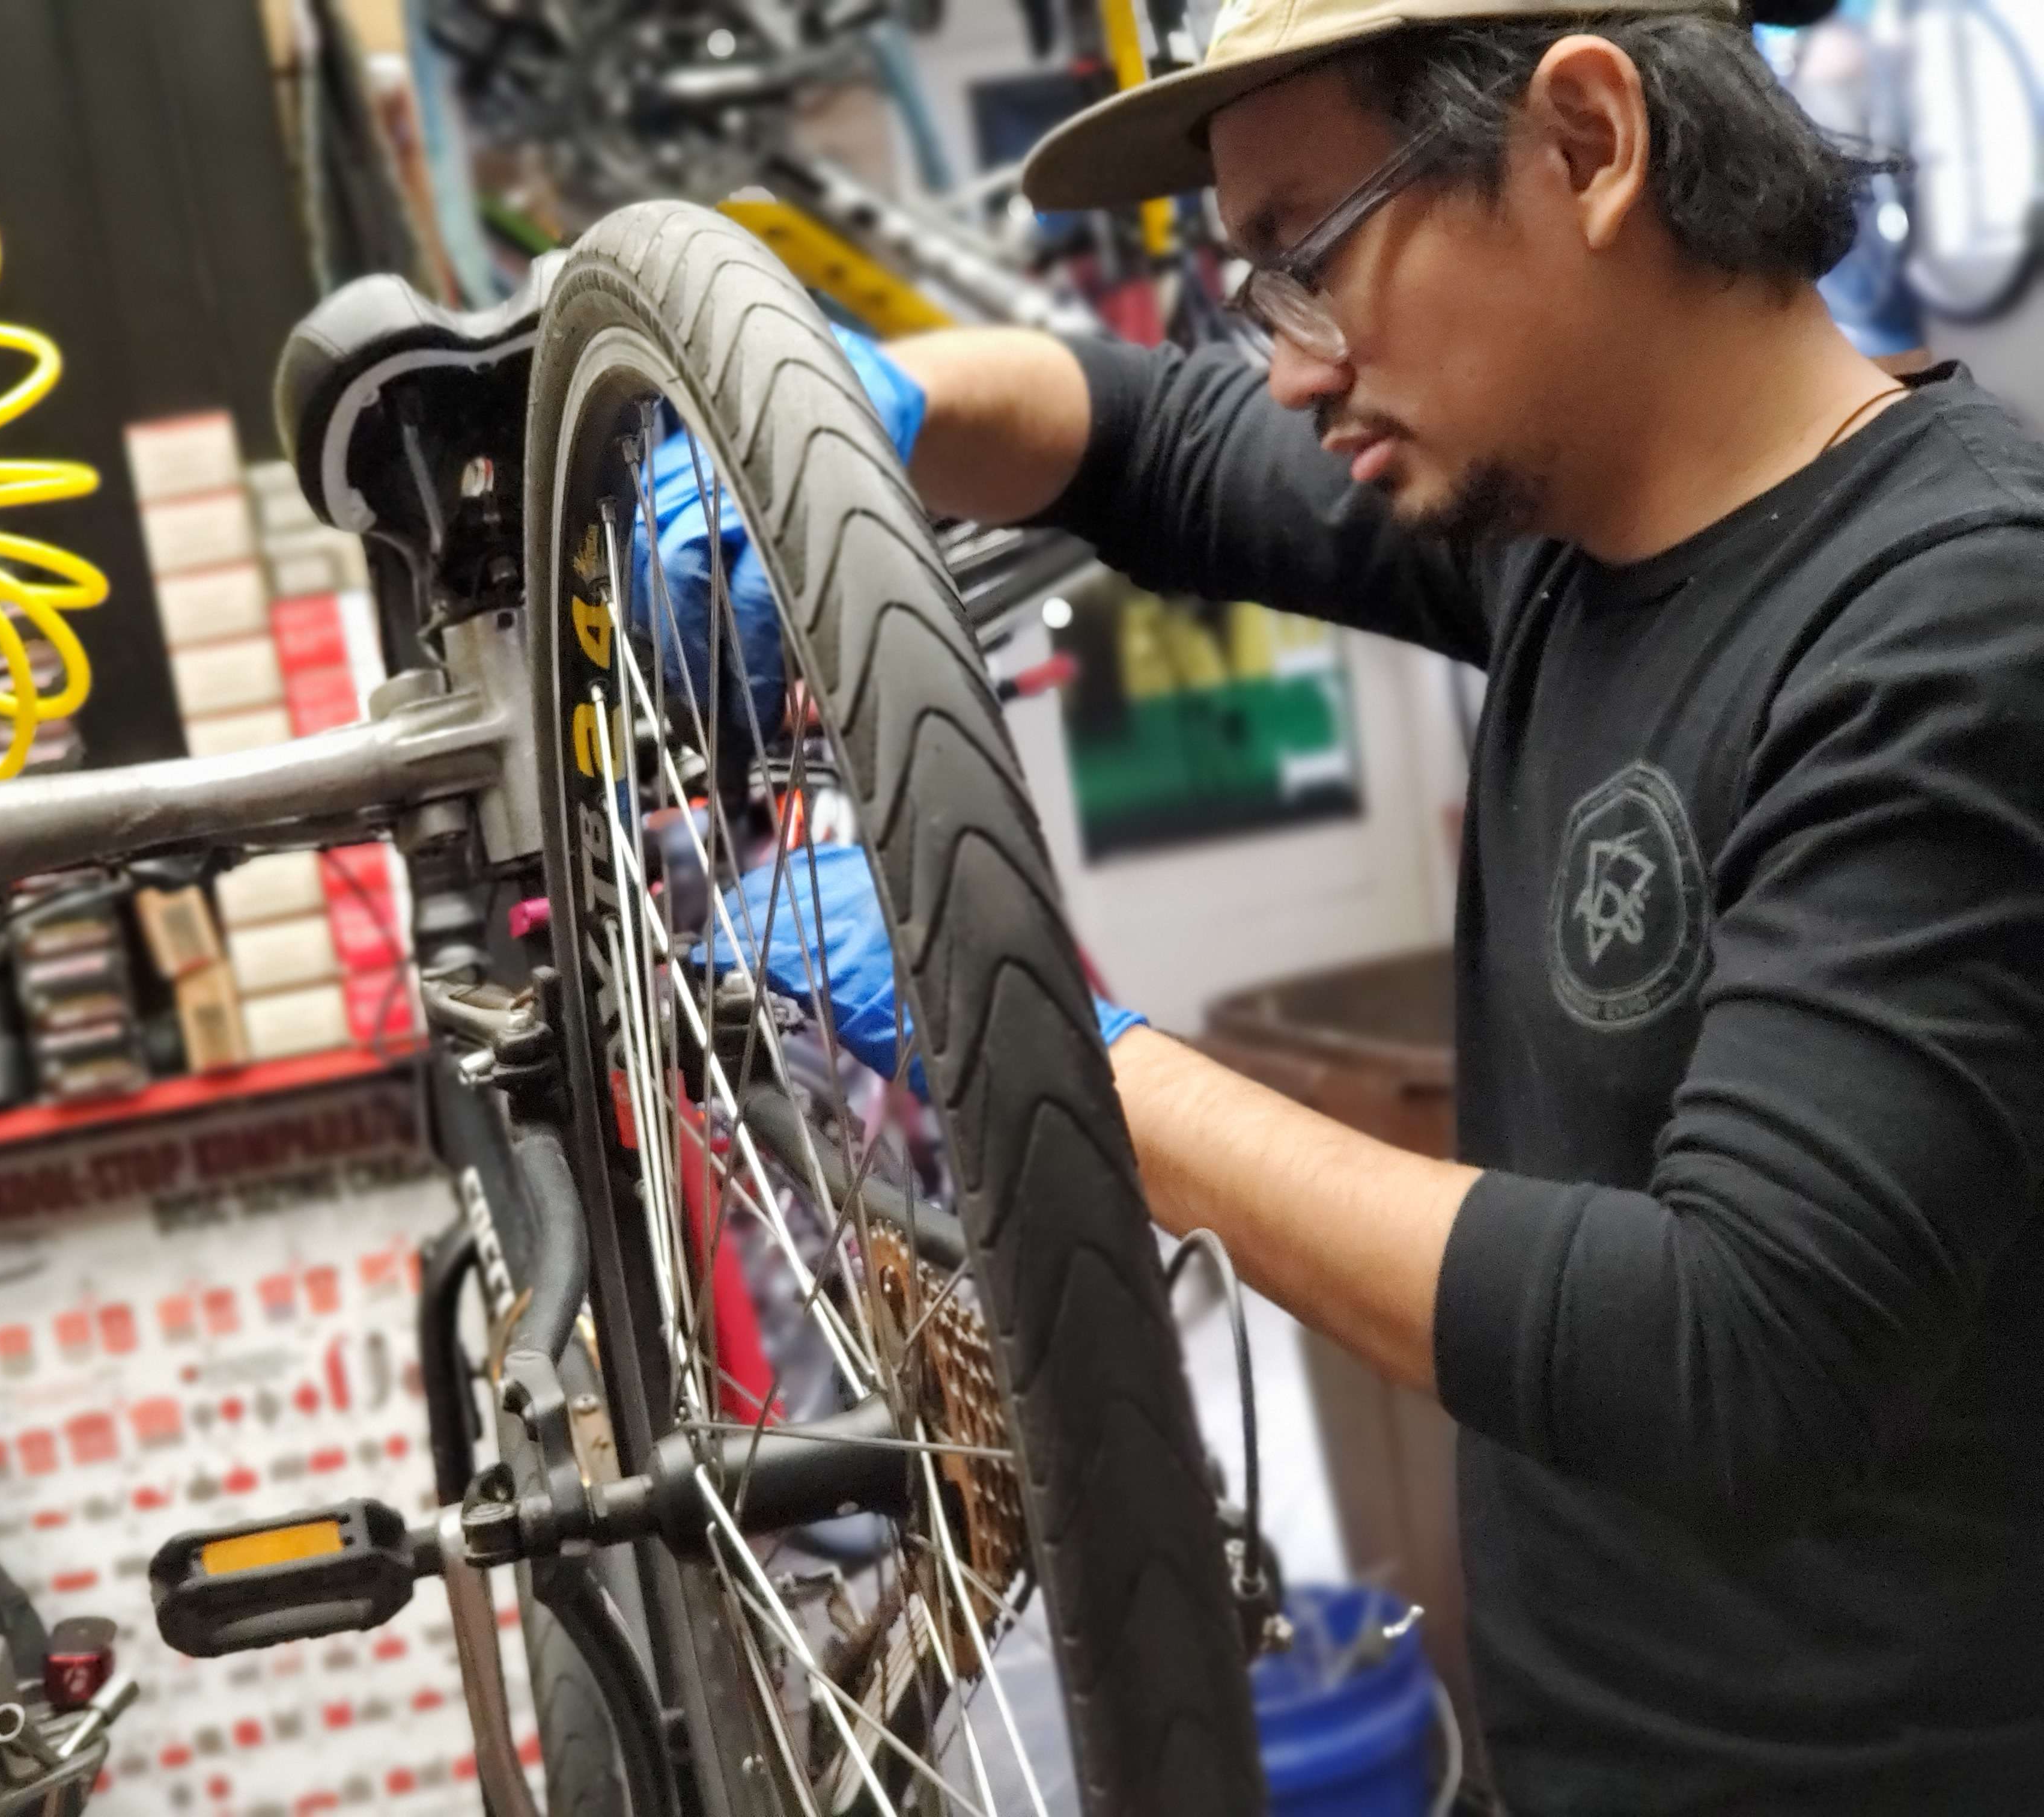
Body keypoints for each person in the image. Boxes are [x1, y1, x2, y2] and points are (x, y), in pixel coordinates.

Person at [641, 0, 2044, 1809]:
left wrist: (1044, 1044)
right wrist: (862, 409)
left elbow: (1728, 1346)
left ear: (1589, 146)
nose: (1296, 368)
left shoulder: (1955, 629)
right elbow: (1148, 438)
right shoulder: (1578, 530)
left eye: (1306, 258)